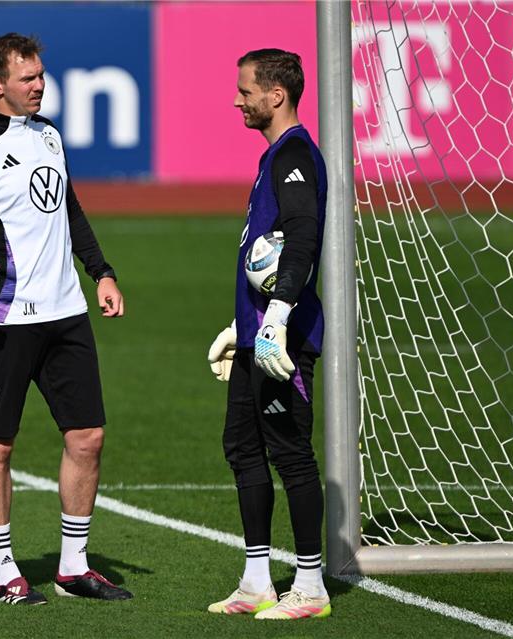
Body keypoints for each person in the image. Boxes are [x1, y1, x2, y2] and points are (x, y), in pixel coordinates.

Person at [0, 32, 131, 606]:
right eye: (28, 78)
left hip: (66, 313)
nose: (40, 85)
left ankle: (73, 568)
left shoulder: (49, 134)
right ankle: (5, 572)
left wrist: (102, 273)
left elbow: (70, 209)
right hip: (5, 319)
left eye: (41, 74)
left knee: (87, 437)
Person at [205, 48, 331, 620]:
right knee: (241, 446)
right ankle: (257, 581)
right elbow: (266, 256)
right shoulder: (273, 157)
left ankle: (311, 586)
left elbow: (302, 240)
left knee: (291, 454)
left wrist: (276, 319)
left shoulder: (295, 153)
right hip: (259, 335)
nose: (237, 100)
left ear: (275, 96)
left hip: (283, 339)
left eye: (245, 90)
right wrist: (243, 325)